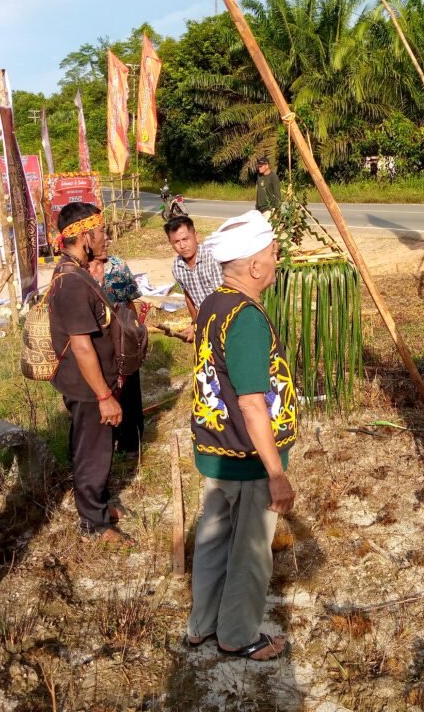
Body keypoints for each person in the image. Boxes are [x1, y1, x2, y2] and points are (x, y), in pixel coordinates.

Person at [185, 210, 298, 661]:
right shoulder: (246, 318)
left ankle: (202, 625)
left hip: (217, 449)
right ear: (254, 266)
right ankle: (237, 635)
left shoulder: (214, 302)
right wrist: (276, 474)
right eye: (272, 253)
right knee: (251, 550)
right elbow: (252, 404)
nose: (276, 260)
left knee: (213, 540)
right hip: (248, 458)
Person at [47, 202, 132, 548]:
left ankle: (97, 504)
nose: (106, 237)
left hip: (91, 384)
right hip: (88, 388)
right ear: (85, 236)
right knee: (91, 453)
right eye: (101, 231)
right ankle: (93, 524)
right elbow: (82, 347)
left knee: (95, 448)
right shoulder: (71, 282)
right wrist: (104, 396)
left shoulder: (76, 272)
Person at [88, 252, 147, 461]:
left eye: (106, 236)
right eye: (101, 236)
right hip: (93, 344)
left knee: (129, 390)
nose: (105, 239)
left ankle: (130, 443)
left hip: (122, 340)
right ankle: (103, 444)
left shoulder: (118, 266)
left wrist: (135, 336)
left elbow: (130, 305)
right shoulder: (77, 270)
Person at [165, 215, 223, 343]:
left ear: (196, 236)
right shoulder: (177, 267)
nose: (182, 245)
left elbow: (225, 297)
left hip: (227, 318)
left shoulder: (213, 258)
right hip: (206, 322)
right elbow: (188, 296)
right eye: (176, 242)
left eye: (185, 239)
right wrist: (195, 324)